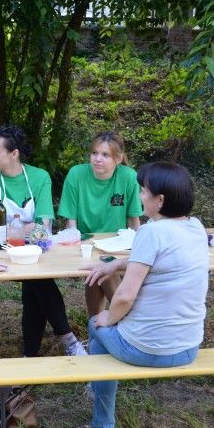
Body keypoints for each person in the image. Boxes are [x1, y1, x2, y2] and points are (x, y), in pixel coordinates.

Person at [73, 161, 208, 428]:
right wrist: (116, 264)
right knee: (104, 335)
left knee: (96, 327)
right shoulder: (195, 227)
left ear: (160, 201)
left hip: (148, 349)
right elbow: (154, 259)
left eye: (143, 191)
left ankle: (102, 424)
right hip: (188, 347)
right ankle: (99, 411)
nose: (139, 196)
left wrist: (107, 318)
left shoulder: (151, 232)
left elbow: (124, 297)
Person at [0, 125, 86, 357]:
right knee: (37, 281)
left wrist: (3, 229)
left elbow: (43, 228)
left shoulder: (39, 177)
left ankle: (31, 354)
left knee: (35, 280)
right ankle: (67, 340)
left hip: (34, 252)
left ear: (14, 153)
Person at [57, 132, 142, 315]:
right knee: (98, 271)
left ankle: (115, 320)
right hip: (86, 245)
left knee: (102, 271)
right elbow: (71, 224)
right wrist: (74, 251)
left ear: (118, 159)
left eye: (105, 155)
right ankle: (110, 322)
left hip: (117, 246)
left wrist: (141, 249)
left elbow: (134, 221)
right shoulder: (76, 174)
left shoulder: (129, 177)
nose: (97, 159)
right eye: (94, 153)